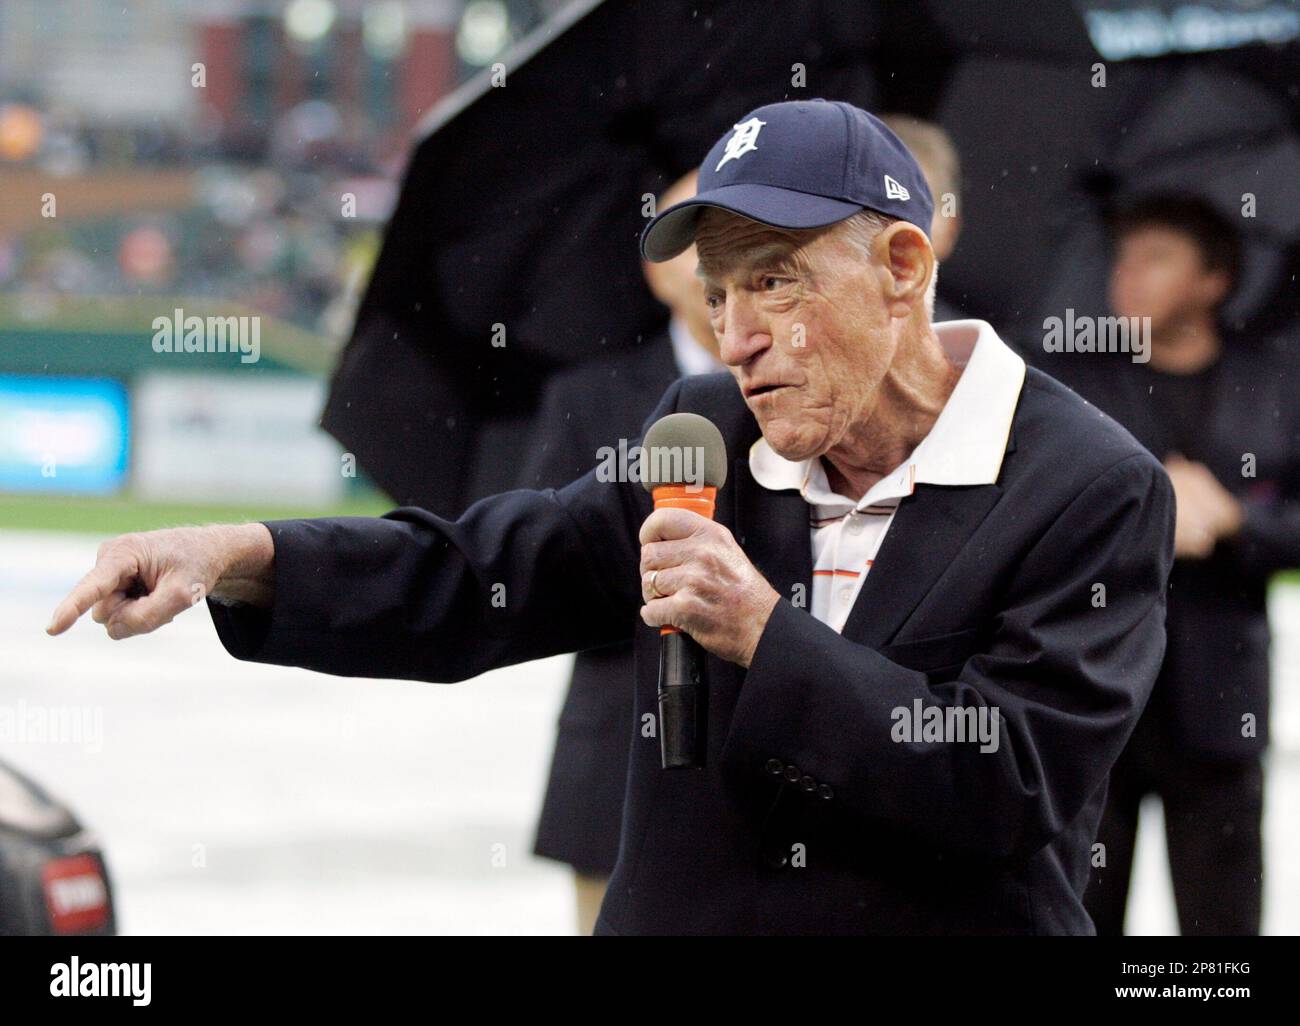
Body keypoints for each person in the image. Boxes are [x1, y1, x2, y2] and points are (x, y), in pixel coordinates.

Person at [48, 99, 1175, 935]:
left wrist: (762, 638)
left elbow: (1011, 784)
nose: (734, 338)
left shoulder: (1088, 485)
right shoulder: (704, 430)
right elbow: (481, 575)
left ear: (901, 263)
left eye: (774, 281)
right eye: (720, 294)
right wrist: (239, 556)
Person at [1054, 194, 1300, 935]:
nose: (1127, 278)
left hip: (1221, 709)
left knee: (1222, 937)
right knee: (1082, 914)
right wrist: (1148, 524)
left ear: (1213, 279)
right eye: (1123, 258)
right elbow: (1039, 525)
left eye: (1156, 259)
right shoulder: (1073, 384)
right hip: (1096, 703)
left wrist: (1235, 521)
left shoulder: (1277, 383)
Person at [521, 170, 723, 934]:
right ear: (654, 264)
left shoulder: (803, 393)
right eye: (691, 236)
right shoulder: (588, 394)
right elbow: (544, 569)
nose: (710, 260)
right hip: (618, 750)